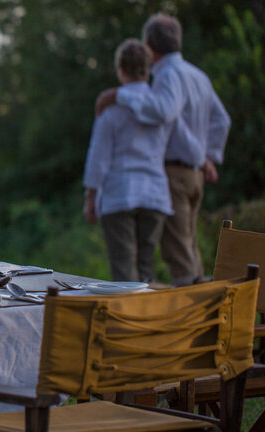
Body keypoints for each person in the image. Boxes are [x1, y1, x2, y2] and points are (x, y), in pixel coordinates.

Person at [95, 13, 231, 286]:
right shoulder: (197, 75)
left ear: (148, 45)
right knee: (189, 247)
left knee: (178, 255)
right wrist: (208, 157)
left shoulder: (168, 75)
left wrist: (117, 95)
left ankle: (193, 322)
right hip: (194, 175)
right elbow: (221, 119)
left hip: (173, 174)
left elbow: (163, 111)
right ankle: (204, 315)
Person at [83, 38, 173, 283]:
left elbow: (99, 156)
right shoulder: (162, 107)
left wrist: (91, 196)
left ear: (120, 69)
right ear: (147, 69)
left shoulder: (110, 109)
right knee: (146, 269)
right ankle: (148, 318)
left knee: (124, 270)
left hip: (119, 194)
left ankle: (127, 320)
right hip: (154, 194)